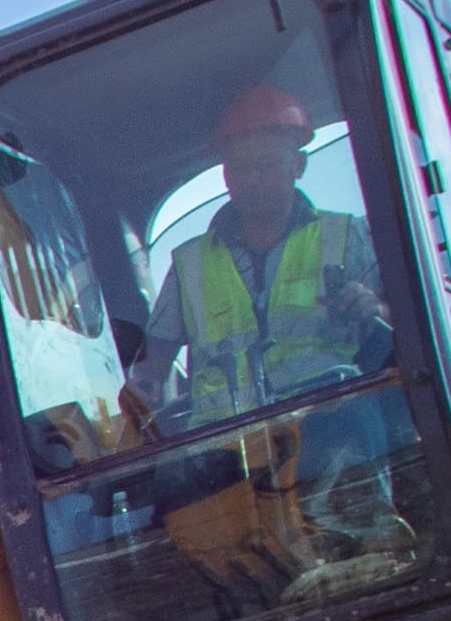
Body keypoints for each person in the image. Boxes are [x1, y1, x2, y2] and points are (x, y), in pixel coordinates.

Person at [144, 81, 388, 430]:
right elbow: (150, 372)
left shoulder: (347, 237)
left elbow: (410, 328)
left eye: (267, 165)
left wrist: (374, 309)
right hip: (225, 456)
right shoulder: (189, 265)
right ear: (225, 174)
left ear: (299, 165)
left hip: (337, 440)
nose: (253, 180)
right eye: (241, 168)